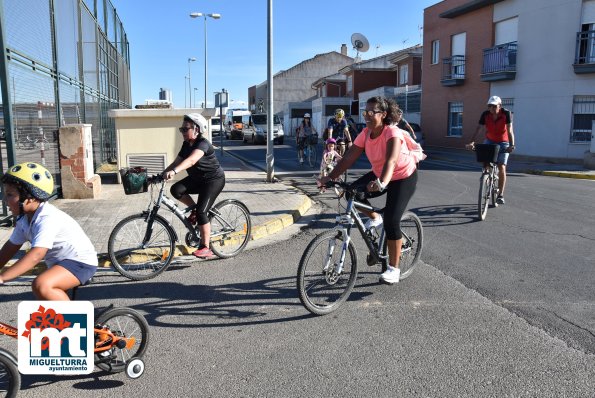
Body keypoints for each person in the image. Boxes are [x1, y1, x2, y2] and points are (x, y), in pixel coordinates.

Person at [319, 96, 421, 285]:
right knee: (351, 192)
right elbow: (348, 158)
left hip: (403, 176)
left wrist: (382, 182)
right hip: (379, 174)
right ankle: (375, 218)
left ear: (383, 115)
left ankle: (394, 268)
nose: (367, 115)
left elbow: (391, 161)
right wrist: (329, 177)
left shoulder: (392, 133)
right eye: (365, 112)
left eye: (372, 112)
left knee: (392, 220)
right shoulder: (366, 133)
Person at [0, 162, 97, 300]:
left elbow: (36, 255)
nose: (5, 200)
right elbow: (10, 247)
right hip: (60, 264)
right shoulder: (24, 220)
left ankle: (75, 319)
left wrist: (3, 277)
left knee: (42, 285)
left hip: (80, 262)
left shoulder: (47, 217)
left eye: (10, 195)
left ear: (30, 197)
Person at [162, 113, 226, 258]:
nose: (182, 132)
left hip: (213, 180)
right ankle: (195, 211)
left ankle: (205, 247)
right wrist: (162, 174)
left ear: (196, 129)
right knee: (176, 189)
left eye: (185, 129)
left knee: (202, 212)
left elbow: (191, 161)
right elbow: (176, 162)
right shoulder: (186, 144)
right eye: (181, 129)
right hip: (197, 179)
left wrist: (174, 172)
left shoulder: (202, 144)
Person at [466, 95, 515, 205]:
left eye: (494, 106)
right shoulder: (485, 114)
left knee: (501, 166)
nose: (491, 109)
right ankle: (486, 176)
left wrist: (511, 145)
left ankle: (500, 195)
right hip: (490, 140)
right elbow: (478, 129)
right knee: (485, 159)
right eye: (489, 106)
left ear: (500, 106)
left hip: (504, 142)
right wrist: (471, 142)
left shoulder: (506, 114)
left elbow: (510, 130)